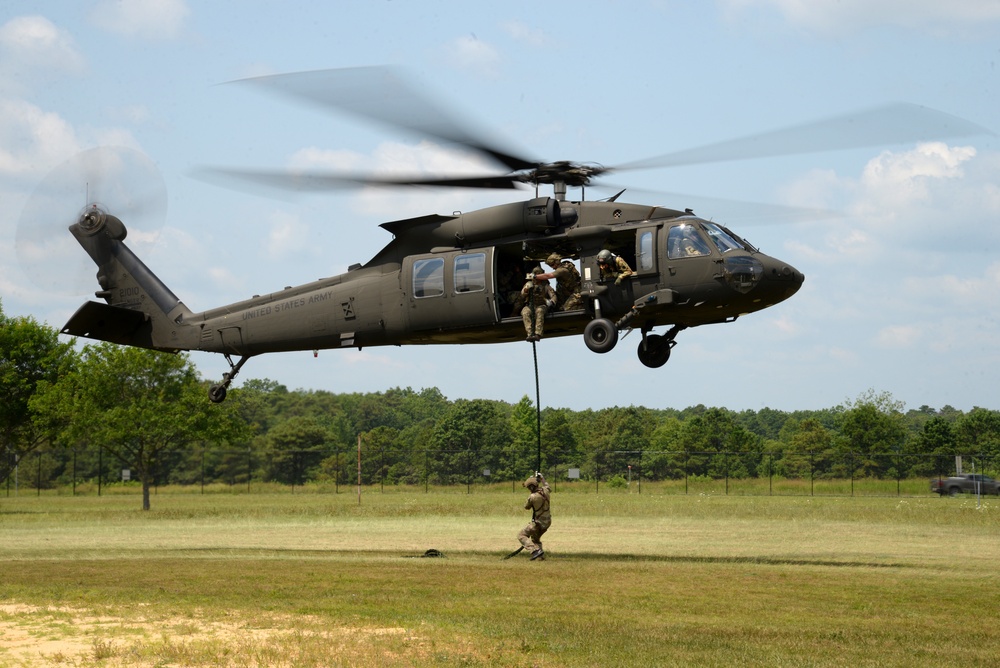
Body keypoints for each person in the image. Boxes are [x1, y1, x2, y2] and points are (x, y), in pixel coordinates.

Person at [518, 472, 551, 560]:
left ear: (531, 487)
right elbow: (547, 486)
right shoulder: (546, 491)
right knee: (535, 539)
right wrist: (542, 479)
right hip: (547, 522)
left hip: (537, 523)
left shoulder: (532, 497)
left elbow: (526, 507)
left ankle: (535, 551)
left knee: (522, 535)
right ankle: (540, 557)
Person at [519, 267, 556, 342]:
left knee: (539, 311)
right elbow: (522, 295)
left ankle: (538, 334)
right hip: (530, 305)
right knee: (525, 312)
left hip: (541, 305)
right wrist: (526, 289)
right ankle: (530, 334)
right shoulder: (529, 284)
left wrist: (551, 302)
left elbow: (553, 295)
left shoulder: (545, 286)